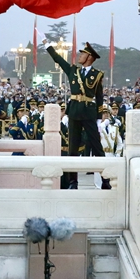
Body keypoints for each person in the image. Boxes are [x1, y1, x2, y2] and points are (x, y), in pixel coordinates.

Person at [44, 40, 107, 190]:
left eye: (83, 54)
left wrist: (99, 118)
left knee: (97, 148)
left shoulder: (97, 75)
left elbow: (99, 97)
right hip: (74, 111)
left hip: (89, 112)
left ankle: (105, 179)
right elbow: (58, 59)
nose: (80, 56)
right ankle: (73, 181)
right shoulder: (73, 71)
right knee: (72, 148)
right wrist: (47, 45)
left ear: (89, 57)